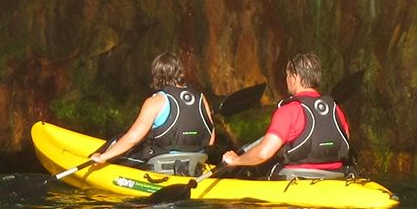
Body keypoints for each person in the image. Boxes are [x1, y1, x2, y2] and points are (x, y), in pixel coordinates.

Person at [221, 52, 352, 179]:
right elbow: (344, 141)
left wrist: (236, 160)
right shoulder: (336, 109)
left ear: (294, 79)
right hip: (336, 176)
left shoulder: (288, 111)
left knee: (254, 171)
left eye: (287, 75)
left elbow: (263, 153)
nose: (286, 79)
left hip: (295, 177)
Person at [90, 52, 216, 167]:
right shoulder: (200, 97)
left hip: (162, 161)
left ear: (156, 75)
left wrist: (104, 156)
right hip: (196, 161)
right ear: (179, 72)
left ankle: (95, 159)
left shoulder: (155, 101)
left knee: (117, 140)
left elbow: (132, 139)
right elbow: (210, 140)